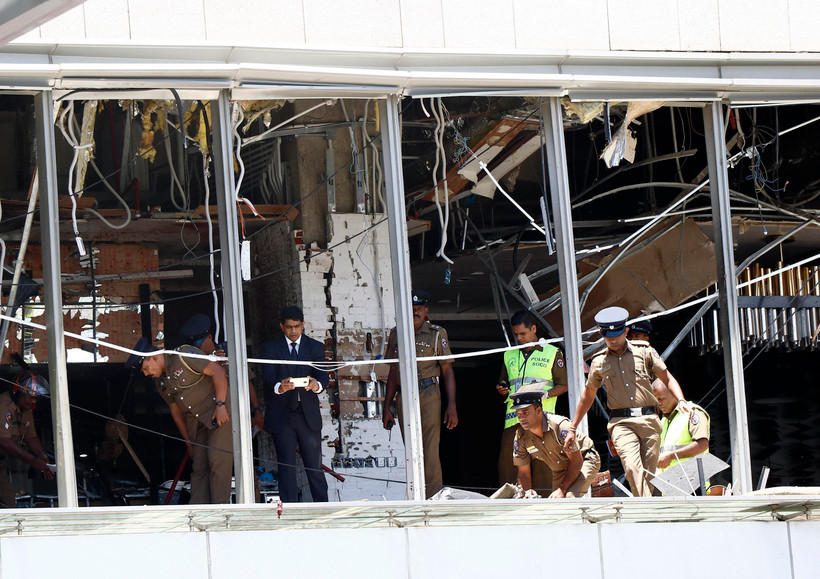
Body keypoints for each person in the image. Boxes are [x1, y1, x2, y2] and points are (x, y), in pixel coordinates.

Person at [563, 306, 690, 497]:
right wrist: (573, 427)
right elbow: (588, 395)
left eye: (617, 334)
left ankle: (646, 515)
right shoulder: (599, 362)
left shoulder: (645, 352)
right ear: (601, 334)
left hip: (649, 421)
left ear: (626, 331)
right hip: (621, 424)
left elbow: (667, 377)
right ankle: (647, 510)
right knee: (631, 468)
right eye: (608, 336)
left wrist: (680, 399)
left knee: (648, 475)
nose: (613, 340)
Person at [129, 337, 233, 504]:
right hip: (196, 423)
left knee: (217, 461)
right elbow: (175, 410)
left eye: (146, 368)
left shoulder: (183, 355)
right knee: (198, 467)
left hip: (217, 413)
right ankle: (198, 512)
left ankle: (220, 511)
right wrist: (188, 441)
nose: (146, 373)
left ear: (154, 357)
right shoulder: (160, 381)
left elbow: (218, 372)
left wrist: (220, 405)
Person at [382, 290, 457, 498]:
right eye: (411, 308)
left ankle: (433, 499)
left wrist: (452, 405)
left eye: (419, 308)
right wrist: (387, 406)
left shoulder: (436, 333)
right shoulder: (396, 334)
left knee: (430, 451)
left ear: (426, 310)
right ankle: (415, 497)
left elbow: (447, 370)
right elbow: (393, 372)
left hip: (428, 392)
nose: (415, 311)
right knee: (411, 451)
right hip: (404, 394)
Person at [260, 306, 329, 503]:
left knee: (314, 466)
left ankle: (323, 509)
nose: (293, 331)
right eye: (289, 327)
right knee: (286, 467)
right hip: (283, 416)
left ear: (303, 325)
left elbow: (323, 376)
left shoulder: (315, 347)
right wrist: (279, 387)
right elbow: (267, 379)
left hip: (307, 415)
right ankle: (289, 511)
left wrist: (317, 385)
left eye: (297, 326)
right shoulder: (270, 348)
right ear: (282, 326)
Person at [497, 310, 567, 495]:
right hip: (514, 420)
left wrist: (544, 395)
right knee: (508, 469)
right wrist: (502, 388)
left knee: (544, 470)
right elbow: (504, 383)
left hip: (542, 421)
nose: (519, 338)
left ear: (534, 329)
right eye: (516, 334)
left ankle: (546, 510)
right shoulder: (509, 354)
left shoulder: (552, 352)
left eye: (523, 334)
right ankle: (509, 509)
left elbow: (564, 385)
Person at [179, 313, 264, 433]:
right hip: (207, 418)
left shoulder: (228, 351)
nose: (197, 348)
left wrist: (257, 410)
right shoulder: (195, 359)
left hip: (233, 412)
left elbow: (246, 381)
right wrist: (209, 361)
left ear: (209, 337)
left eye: (198, 343)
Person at [511, 390, 600, 498]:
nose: (521, 418)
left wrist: (562, 489)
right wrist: (527, 492)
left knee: (568, 497)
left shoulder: (559, 426)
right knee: (555, 504)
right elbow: (524, 472)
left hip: (584, 459)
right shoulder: (521, 437)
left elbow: (577, 461)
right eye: (518, 414)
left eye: (525, 412)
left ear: (539, 410)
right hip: (560, 469)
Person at [0, 372, 54, 508]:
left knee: (8, 505)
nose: (34, 401)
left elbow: (31, 436)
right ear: (18, 392)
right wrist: (32, 460)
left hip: (1, 463)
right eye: (30, 397)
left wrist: (42, 457)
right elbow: (4, 441)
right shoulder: (4, 405)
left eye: (36, 398)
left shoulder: (27, 409)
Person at [653, 379, 710, 472]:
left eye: (661, 398)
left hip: (693, 481)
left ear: (674, 394)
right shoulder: (664, 421)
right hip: (672, 481)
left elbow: (702, 445)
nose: (658, 403)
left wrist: (671, 456)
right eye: (656, 400)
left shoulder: (691, 412)